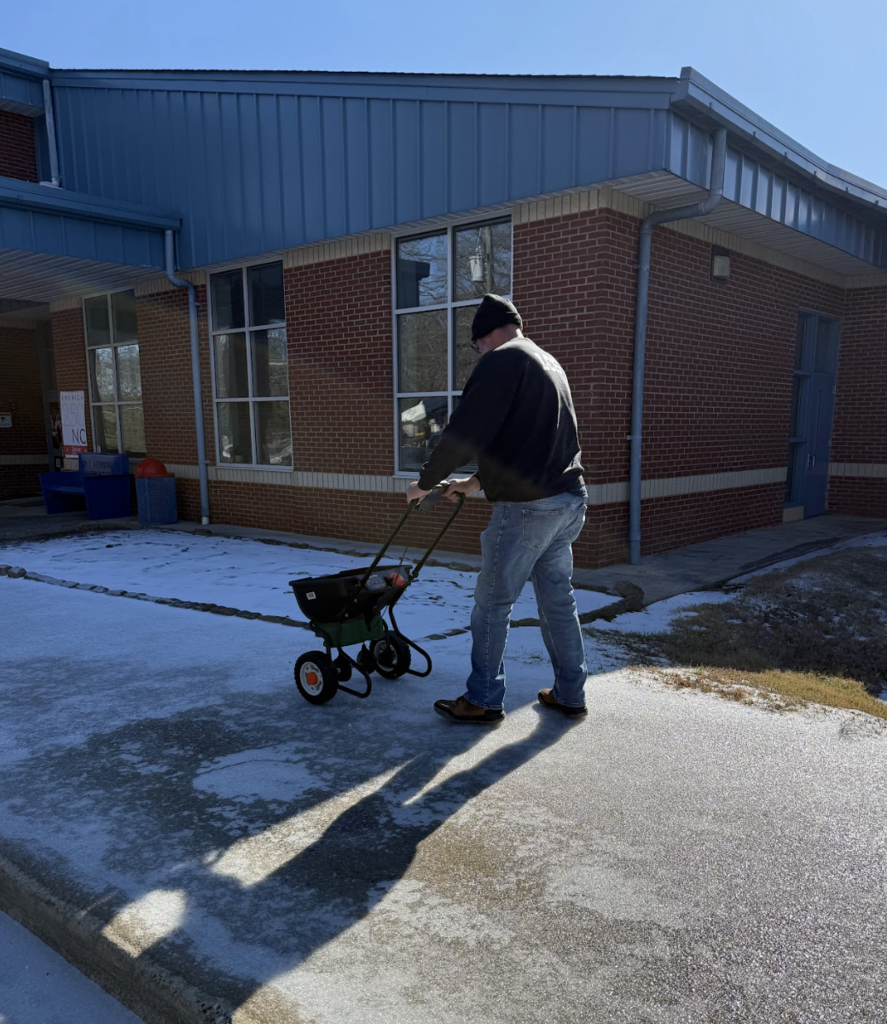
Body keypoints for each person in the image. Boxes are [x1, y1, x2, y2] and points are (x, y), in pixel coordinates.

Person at [405, 293, 588, 724]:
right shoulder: (548, 362)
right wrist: (473, 484)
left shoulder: (501, 360)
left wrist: (424, 483)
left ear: (484, 335)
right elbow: (528, 439)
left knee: (492, 603)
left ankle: (484, 697)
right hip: (568, 500)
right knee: (558, 602)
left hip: (527, 508)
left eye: (475, 346)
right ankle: (570, 692)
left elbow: (466, 431)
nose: (478, 352)